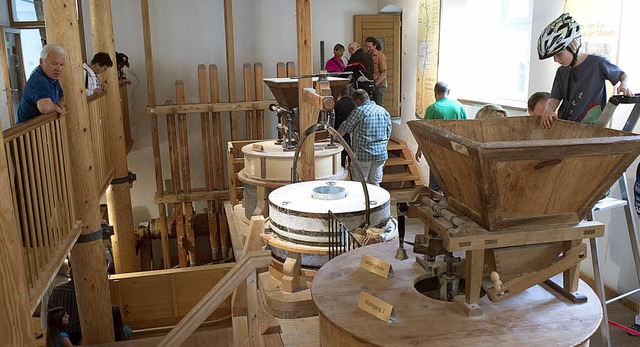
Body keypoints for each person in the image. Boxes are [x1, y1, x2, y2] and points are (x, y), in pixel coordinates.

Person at [538, 13, 633, 128]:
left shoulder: (597, 63)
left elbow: (622, 74)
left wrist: (624, 84)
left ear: (573, 46)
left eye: (559, 54)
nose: (555, 60)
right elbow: (555, 96)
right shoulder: (562, 72)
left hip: (592, 128)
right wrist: (548, 109)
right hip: (566, 127)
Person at [416, 81, 467, 192]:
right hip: (455, 149)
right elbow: (466, 128)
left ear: (435, 93)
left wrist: (420, 149)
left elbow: (425, 131)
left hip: (437, 149)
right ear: (448, 92)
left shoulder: (432, 109)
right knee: (453, 180)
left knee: (435, 181)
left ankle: (434, 205)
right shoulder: (459, 106)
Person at [338, 89, 392, 186]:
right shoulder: (383, 110)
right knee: (375, 183)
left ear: (358, 101)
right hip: (380, 155)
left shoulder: (359, 111)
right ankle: (375, 201)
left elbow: (344, 129)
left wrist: (334, 139)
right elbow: (388, 133)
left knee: (360, 185)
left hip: (362, 155)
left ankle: (363, 201)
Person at [16, 44, 67, 124]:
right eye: (54, 64)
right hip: (28, 132)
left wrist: (59, 106)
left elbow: (62, 98)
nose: (58, 68)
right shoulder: (39, 81)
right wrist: (57, 108)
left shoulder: (52, 76)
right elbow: (45, 107)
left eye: (61, 64)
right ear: (41, 62)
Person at [48, 267, 81, 345]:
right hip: (77, 330)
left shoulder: (58, 288)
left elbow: (50, 306)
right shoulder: (82, 291)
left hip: (60, 329)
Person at [333, 87, 356, 167]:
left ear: (341, 94)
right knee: (353, 163)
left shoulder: (337, 104)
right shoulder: (355, 104)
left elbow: (333, 120)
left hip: (340, 135)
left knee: (340, 163)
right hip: (353, 137)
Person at [365, 37, 387, 106]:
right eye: (366, 47)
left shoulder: (380, 56)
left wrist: (376, 84)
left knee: (379, 106)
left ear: (375, 46)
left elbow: (384, 72)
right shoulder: (366, 55)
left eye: (369, 47)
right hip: (370, 85)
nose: (368, 49)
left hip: (379, 85)